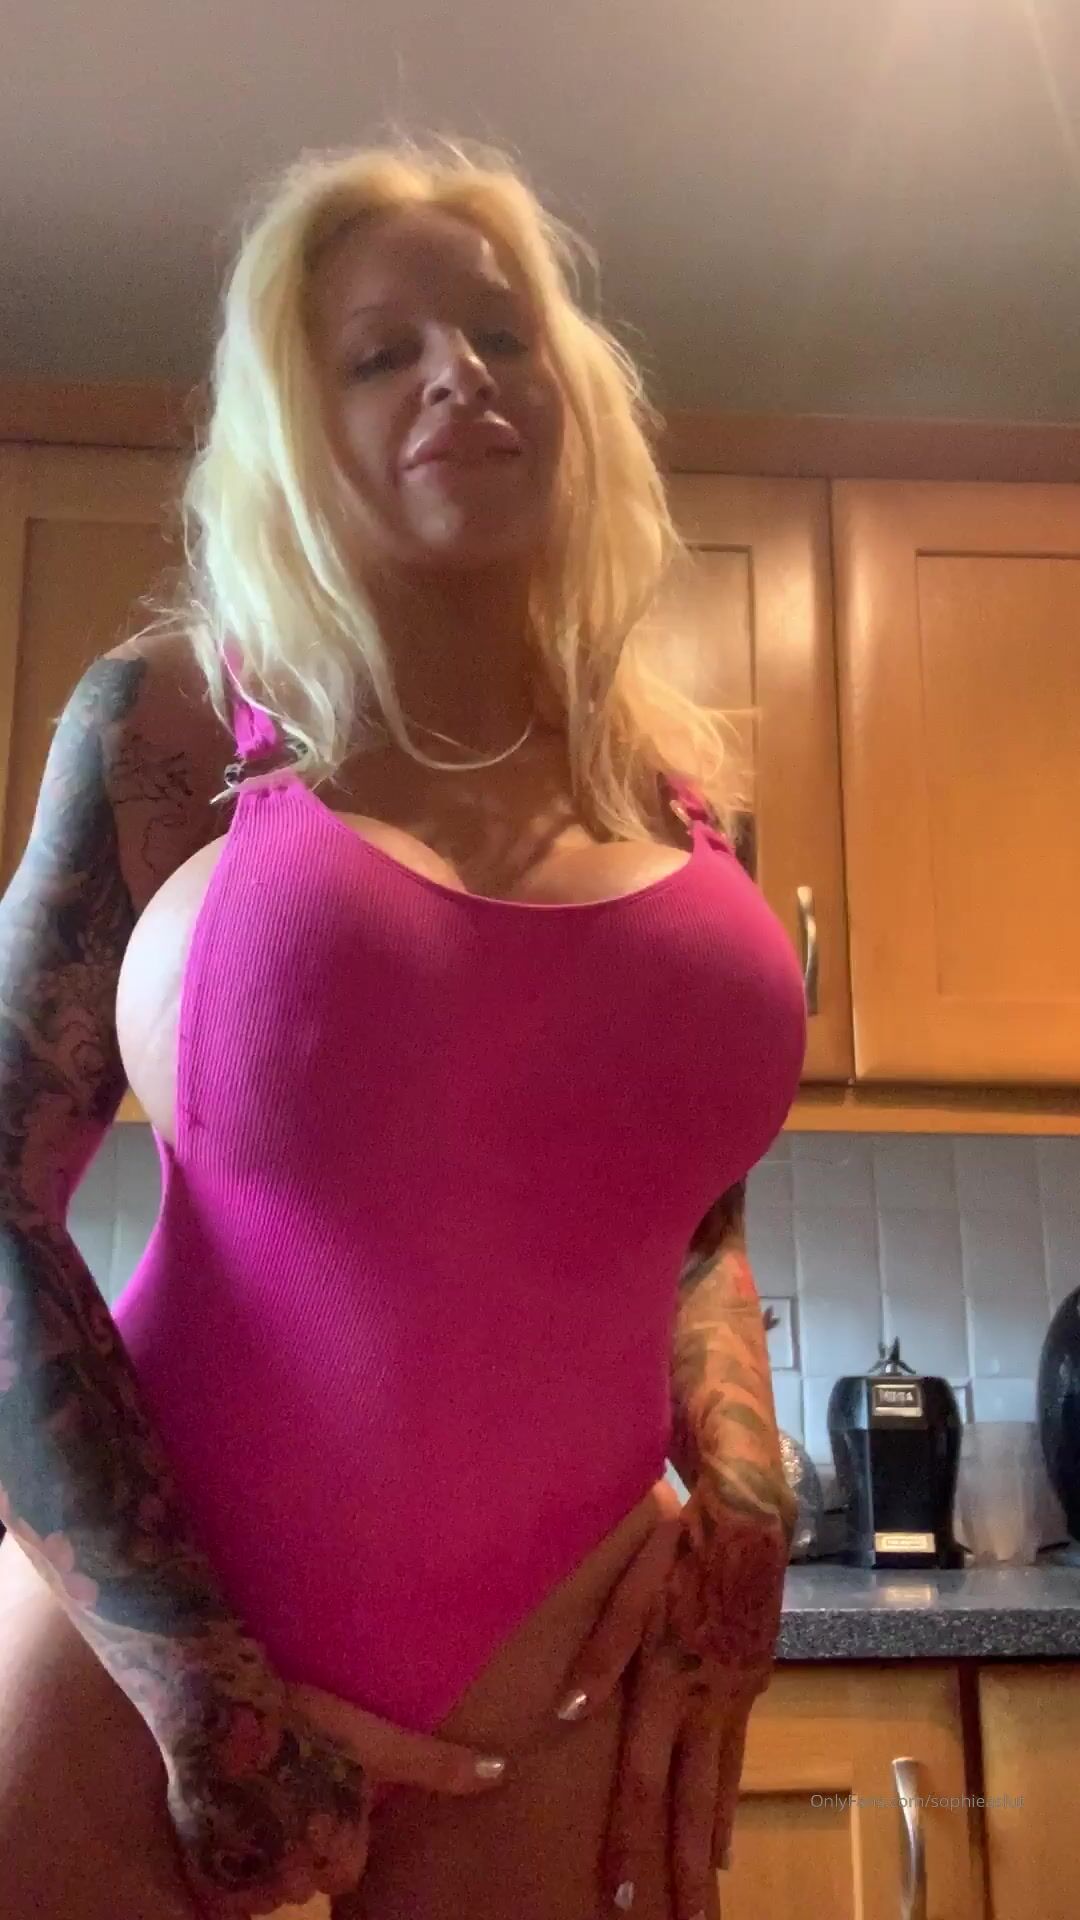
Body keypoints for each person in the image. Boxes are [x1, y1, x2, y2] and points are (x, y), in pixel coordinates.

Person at [0, 135, 806, 1920]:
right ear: (299, 432)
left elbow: (690, 1224)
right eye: (380, 354)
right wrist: (202, 1693)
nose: (458, 374)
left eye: (504, 336)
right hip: (144, 1661)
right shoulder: (171, 727)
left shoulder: (681, 796)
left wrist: (751, 1504)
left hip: (558, 1675)